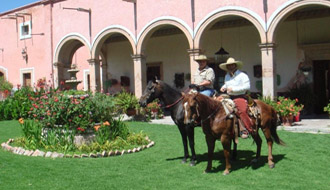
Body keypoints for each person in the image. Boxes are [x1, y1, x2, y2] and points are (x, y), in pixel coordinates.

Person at [219, 57, 253, 138]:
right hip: (229, 96)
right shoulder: (227, 76)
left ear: (235, 66)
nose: (230, 67)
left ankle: (247, 129)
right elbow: (227, 84)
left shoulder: (242, 75)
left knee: (242, 110)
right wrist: (223, 87)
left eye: (232, 65)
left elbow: (247, 87)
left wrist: (233, 89)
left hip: (240, 96)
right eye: (228, 66)